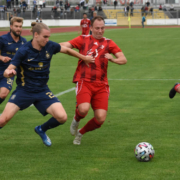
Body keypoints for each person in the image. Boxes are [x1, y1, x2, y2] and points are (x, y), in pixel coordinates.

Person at [0, 22, 95, 147]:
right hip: (24, 91)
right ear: (36, 35)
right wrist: (9, 73)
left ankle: (41, 129)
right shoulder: (24, 51)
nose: (47, 39)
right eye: (45, 37)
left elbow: (66, 49)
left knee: (62, 117)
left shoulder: (49, 46)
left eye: (48, 37)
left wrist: (84, 58)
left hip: (42, 90)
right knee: (3, 120)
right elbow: (8, 69)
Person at [60, 16, 127, 145]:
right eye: (97, 28)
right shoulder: (83, 39)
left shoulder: (109, 42)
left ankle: (80, 133)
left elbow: (123, 59)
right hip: (84, 80)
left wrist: (113, 59)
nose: (100, 31)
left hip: (102, 85)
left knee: (100, 118)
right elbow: (65, 46)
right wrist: (49, 45)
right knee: (83, 110)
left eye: (102, 28)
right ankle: (76, 118)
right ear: (91, 28)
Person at [0, 17, 27, 106]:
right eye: (16, 26)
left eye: (20, 26)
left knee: (3, 94)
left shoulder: (24, 42)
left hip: (9, 72)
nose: (18, 29)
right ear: (11, 26)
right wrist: (2, 57)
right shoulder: (2, 39)